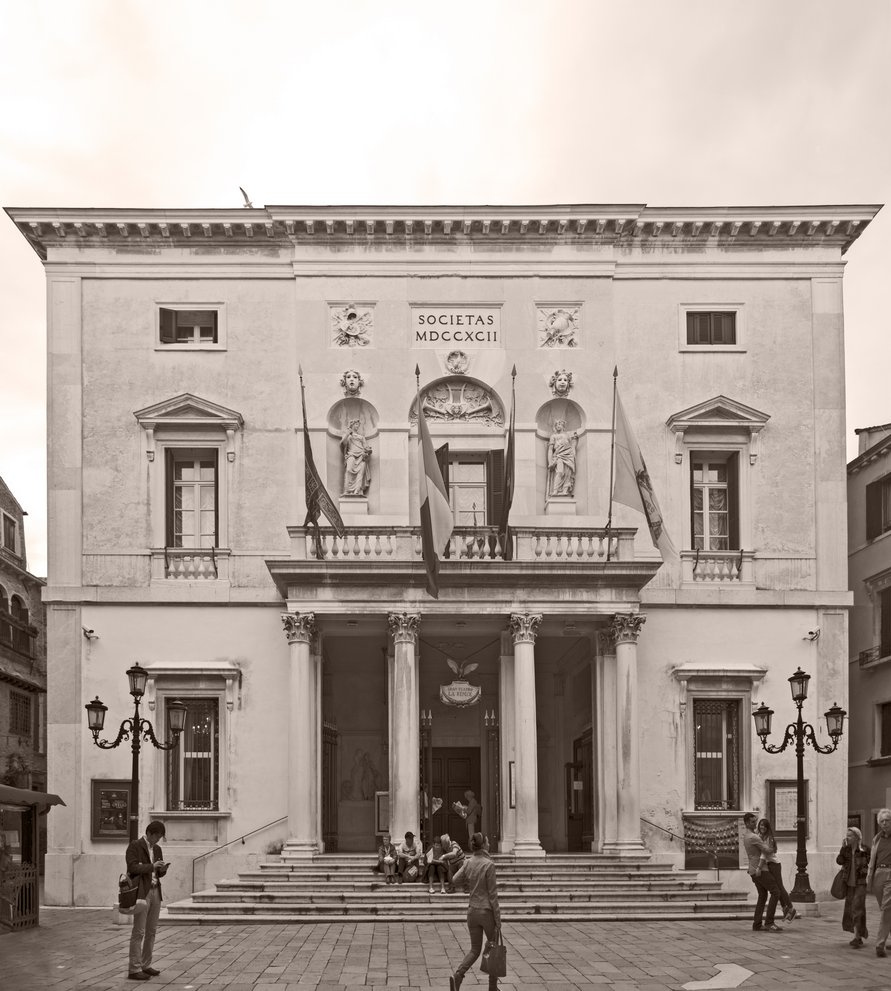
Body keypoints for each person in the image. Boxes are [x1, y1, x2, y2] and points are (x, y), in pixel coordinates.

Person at [450, 832, 501, 991]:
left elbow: (454, 880)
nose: (489, 844)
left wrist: (469, 879)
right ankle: (492, 987)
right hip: (486, 912)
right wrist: (498, 919)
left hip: (472, 911)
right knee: (493, 948)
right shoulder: (488, 864)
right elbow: (493, 895)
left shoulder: (468, 862)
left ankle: (458, 975)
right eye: (488, 841)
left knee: (474, 949)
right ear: (484, 844)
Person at [125, 820, 169, 981]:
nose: (157, 840)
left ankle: (146, 964)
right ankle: (134, 968)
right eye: (156, 837)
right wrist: (152, 866)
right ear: (149, 833)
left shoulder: (157, 849)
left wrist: (161, 870)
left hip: (156, 890)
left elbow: (157, 872)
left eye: (160, 838)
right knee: (139, 931)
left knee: (152, 931)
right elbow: (132, 868)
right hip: (142, 892)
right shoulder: (135, 846)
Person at [742, 811, 791, 932]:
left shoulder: (746, 836)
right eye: (753, 822)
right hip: (761, 870)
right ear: (747, 823)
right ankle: (769, 922)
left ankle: (757, 924)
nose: (755, 824)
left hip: (753, 870)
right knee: (776, 892)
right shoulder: (754, 837)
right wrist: (773, 845)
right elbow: (768, 850)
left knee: (762, 896)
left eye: (755, 821)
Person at [756, 818, 797, 927]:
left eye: (764, 826)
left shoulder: (768, 838)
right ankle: (786, 909)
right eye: (760, 825)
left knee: (779, 887)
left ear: (767, 827)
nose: (762, 827)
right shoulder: (761, 837)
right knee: (777, 889)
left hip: (774, 865)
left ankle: (791, 908)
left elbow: (764, 854)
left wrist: (759, 867)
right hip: (769, 865)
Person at [838, 826, 870, 948]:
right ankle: (859, 935)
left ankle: (858, 937)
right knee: (851, 910)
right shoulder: (846, 850)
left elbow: (870, 863)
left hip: (860, 884)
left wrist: (866, 873)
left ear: (857, 837)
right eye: (847, 835)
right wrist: (842, 848)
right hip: (849, 884)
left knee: (857, 909)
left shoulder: (865, 849)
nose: (847, 837)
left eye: (850, 835)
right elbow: (839, 861)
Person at [866, 807, 891, 956]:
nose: (885, 823)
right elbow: (872, 860)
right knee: (887, 909)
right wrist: (870, 876)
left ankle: (880, 944)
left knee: (887, 909)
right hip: (878, 875)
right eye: (882, 821)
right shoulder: (877, 838)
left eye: (887, 820)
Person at [547, 419, 579, 496]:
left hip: (569, 455)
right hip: (559, 455)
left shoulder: (567, 435)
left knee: (568, 474)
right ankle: (555, 490)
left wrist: (575, 441)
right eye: (556, 424)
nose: (558, 426)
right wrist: (550, 462)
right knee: (560, 472)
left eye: (560, 424)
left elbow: (572, 447)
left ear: (563, 426)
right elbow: (550, 449)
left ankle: (565, 490)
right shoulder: (553, 436)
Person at [341, 420, 372, 496]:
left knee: (360, 474)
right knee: (348, 470)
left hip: (361, 455)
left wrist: (368, 451)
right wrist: (348, 434)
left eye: (358, 425)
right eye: (356, 424)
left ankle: (357, 491)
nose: (357, 426)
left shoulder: (361, 437)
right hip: (351, 455)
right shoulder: (348, 436)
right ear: (352, 425)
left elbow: (366, 447)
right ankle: (347, 490)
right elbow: (342, 444)